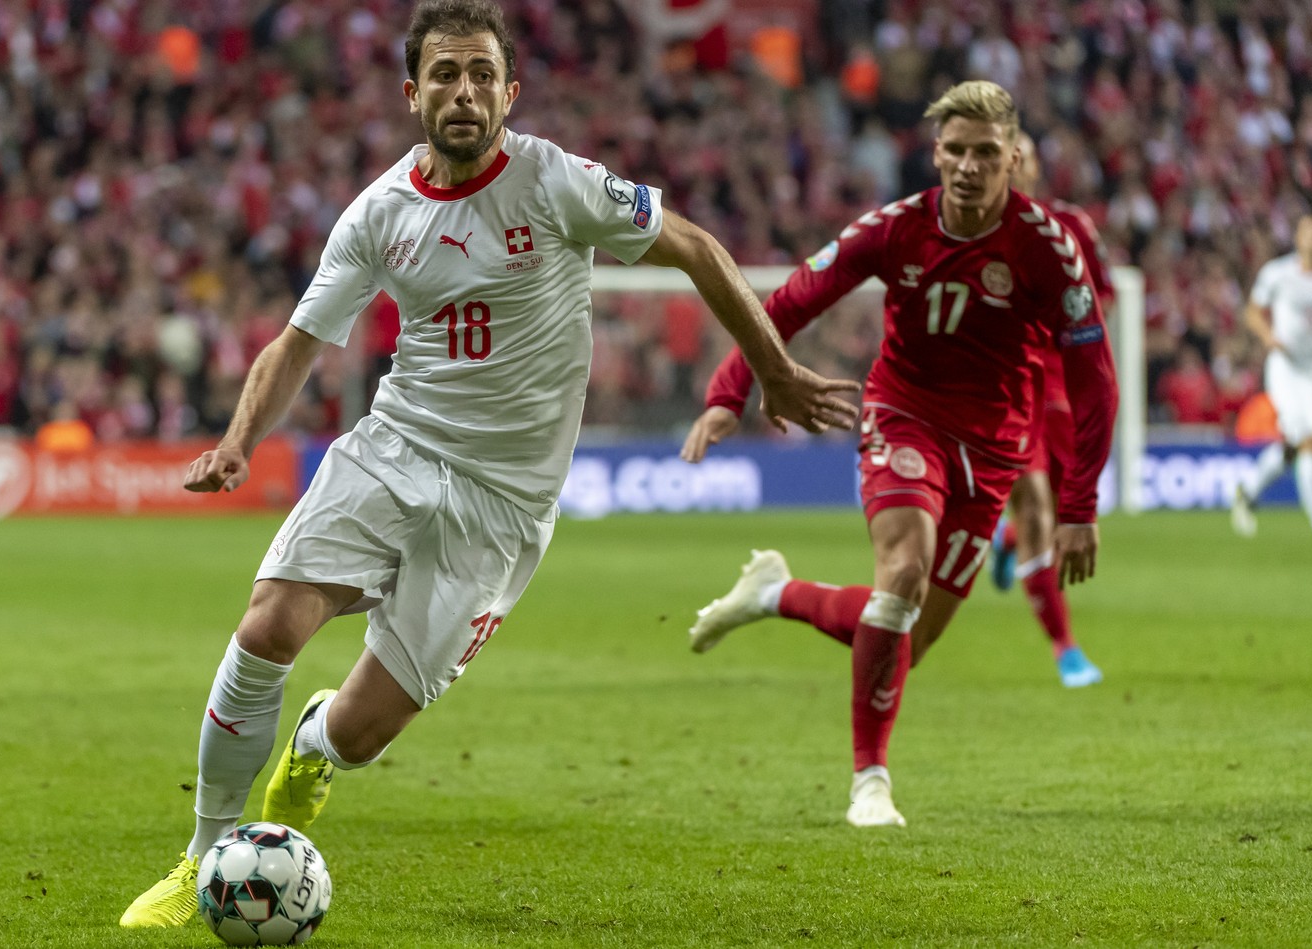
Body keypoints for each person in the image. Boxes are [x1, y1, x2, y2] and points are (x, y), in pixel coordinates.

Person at [119, 0, 859, 928]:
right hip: (396, 448)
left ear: (510, 91)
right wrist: (237, 440)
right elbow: (299, 343)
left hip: (501, 508)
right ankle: (201, 862)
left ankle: (311, 749)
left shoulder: (557, 183)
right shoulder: (378, 213)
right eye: (444, 74)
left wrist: (774, 370)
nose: (463, 91)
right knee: (269, 622)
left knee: (358, 732)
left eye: (480, 75)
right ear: (412, 92)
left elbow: (698, 250)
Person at [681, 81, 1118, 828]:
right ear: (935, 153)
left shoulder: (1048, 248)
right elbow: (790, 301)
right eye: (956, 151)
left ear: (1014, 158)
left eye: (987, 153)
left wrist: (1079, 506)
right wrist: (727, 391)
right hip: (904, 416)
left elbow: (1095, 378)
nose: (970, 167)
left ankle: (775, 593)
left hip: (997, 447)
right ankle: (870, 782)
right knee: (903, 573)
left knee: (903, 642)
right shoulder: (894, 229)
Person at [983, 131, 1112, 689]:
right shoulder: (973, 233)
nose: (1016, 168)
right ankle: (1066, 648)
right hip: (1005, 388)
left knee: (1060, 512)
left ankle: (1008, 540)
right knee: (1034, 506)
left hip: (1059, 385)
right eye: (1006, 159)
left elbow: (1097, 299)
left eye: (1025, 158)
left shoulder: (1072, 227)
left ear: (1034, 167)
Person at [1230, 215, 1312, 552]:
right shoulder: (1278, 273)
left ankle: (1248, 493)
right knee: (1311, 442)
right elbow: (1253, 312)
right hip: (1286, 367)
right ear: (1298, 238)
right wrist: (1268, 337)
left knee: (1294, 445)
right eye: (1310, 233)